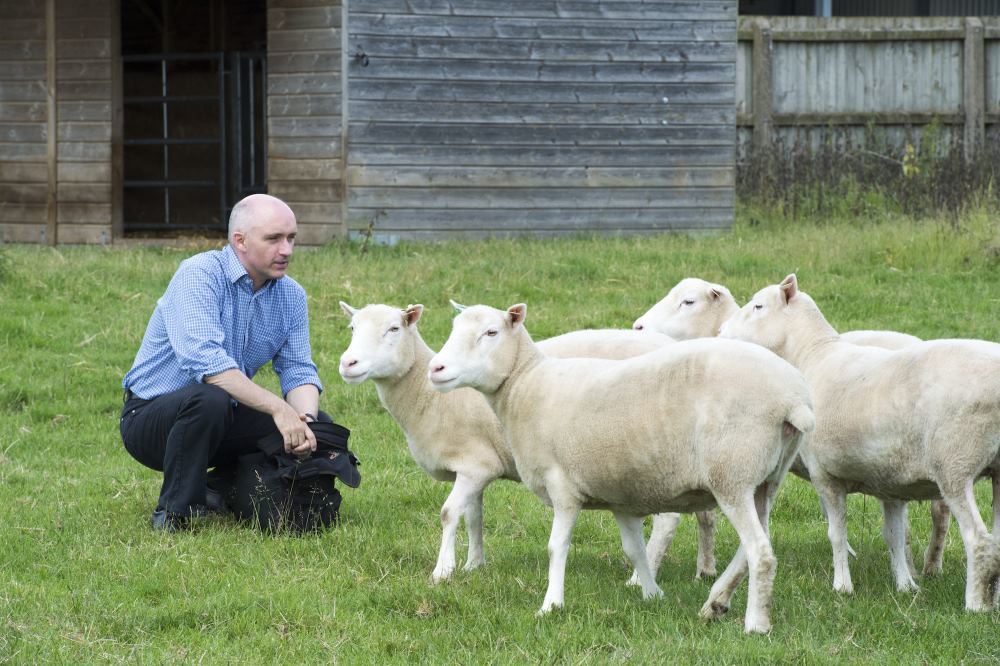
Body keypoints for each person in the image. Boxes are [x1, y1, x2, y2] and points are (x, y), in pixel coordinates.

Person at [120, 194, 328, 532]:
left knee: (317, 423)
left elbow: (297, 368)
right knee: (210, 397)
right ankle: (174, 513)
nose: (287, 249)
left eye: (291, 238)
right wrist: (279, 409)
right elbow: (208, 367)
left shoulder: (291, 295)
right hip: (150, 419)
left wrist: (303, 421)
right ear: (240, 241)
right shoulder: (199, 274)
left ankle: (219, 489)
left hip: (221, 415)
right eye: (274, 239)